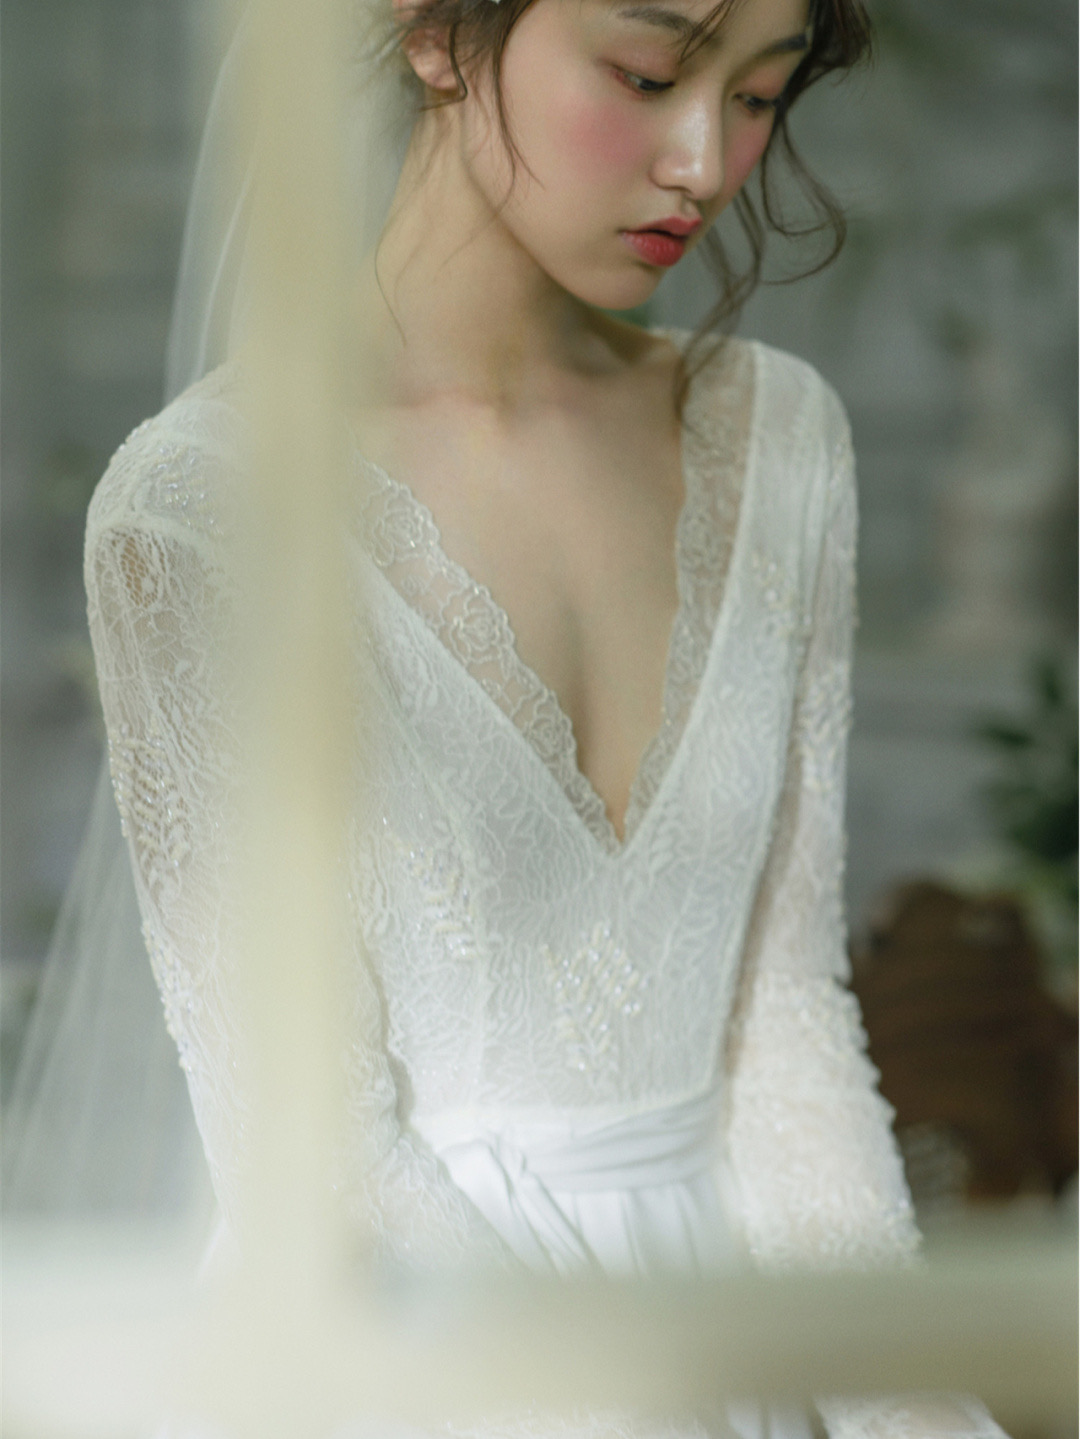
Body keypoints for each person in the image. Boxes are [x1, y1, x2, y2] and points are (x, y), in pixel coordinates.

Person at [71, 0, 1007, 1432]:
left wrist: (908, 1411)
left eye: (760, 96)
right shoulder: (202, 508)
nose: (704, 161)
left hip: (727, 1326)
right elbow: (315, 1158)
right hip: (414, 1358)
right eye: (648, 73)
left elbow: (783, 1024)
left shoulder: (780, 438)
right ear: (438, 32)